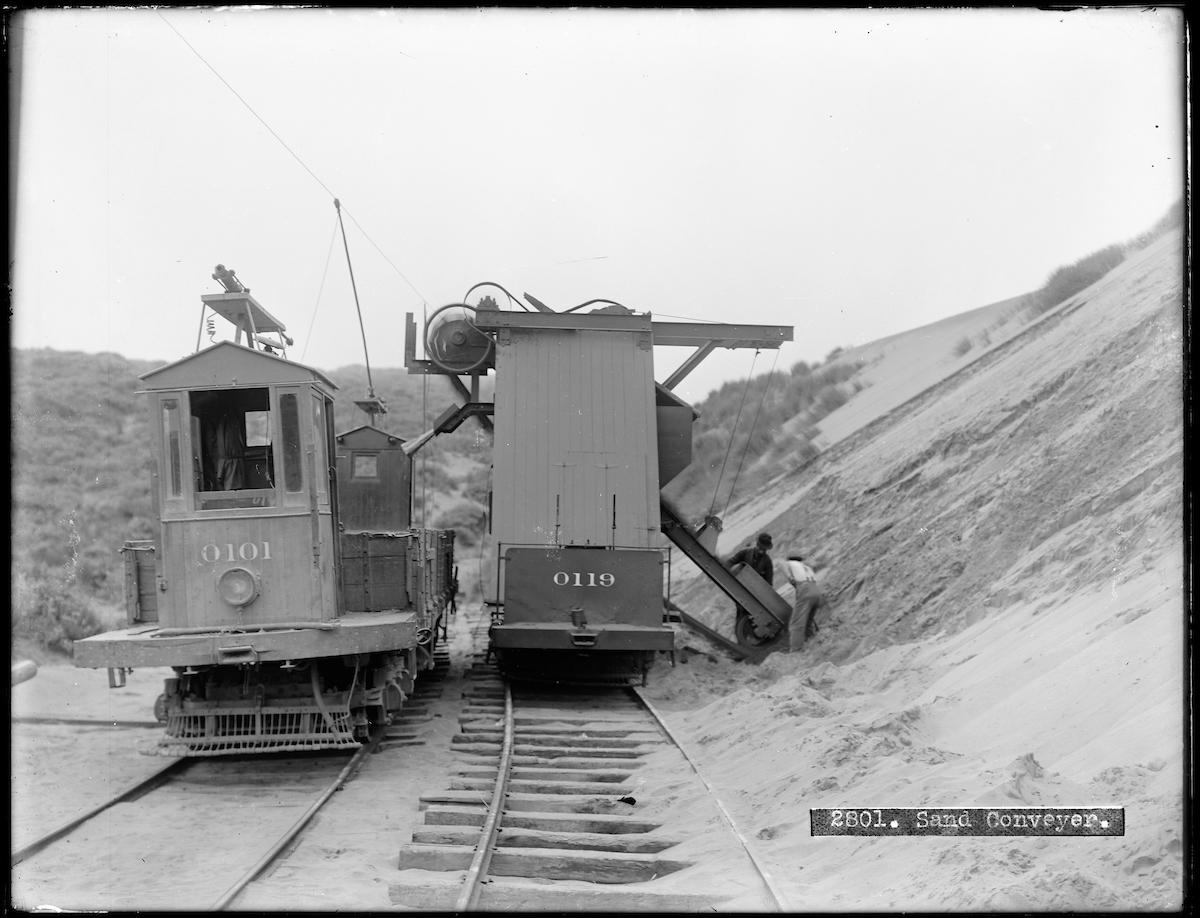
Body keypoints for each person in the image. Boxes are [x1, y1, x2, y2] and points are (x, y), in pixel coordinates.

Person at [727, 533, 775, 639]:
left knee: (752, 617)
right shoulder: (745, 553)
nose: (761, 550)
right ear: (757, 544)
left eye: (764, 549)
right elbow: (730, 562)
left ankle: (753, 638)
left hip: (756, 595)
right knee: (740, 614)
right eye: (760, 547)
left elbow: (769, 582)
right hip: (741, 591)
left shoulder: (767, 561)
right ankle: (741, 639)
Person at [784, 552, 823, 650]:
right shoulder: (806, 567)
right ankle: (813, 640)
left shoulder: (790, 565)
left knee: (795, 625)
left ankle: (795, 651)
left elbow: (794, 582)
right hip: (816, 591)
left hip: (805, 590)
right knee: (808, 620)